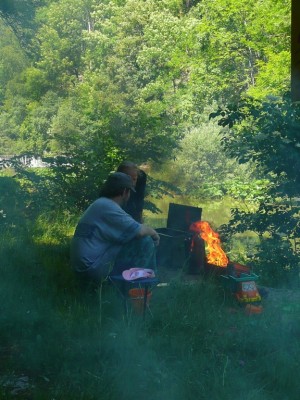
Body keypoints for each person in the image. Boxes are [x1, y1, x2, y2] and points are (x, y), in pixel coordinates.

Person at [70, 172, 159, 284]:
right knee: (145, 241)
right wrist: (154, 234)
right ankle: (138, 285)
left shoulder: (100, 204)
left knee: (130, 237)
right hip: (92, 270)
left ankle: (141, 280)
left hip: (84, 268)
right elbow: (139, 231)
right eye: (129, 192)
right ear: (125, 192)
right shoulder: (109, 207)